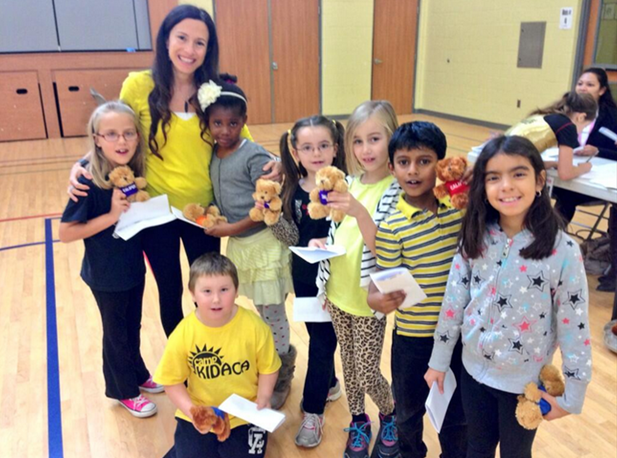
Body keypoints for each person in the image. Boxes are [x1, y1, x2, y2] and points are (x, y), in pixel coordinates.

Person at [66, 4, 279, 337]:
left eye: (200, 42)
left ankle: (212, 352)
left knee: (208, 290)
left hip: (203, 213)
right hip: (154, 212)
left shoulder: (215, 90)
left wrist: (275, 162)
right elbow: (116, 133)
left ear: (209, 49)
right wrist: (81, 166)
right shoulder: (137, 86)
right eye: (182, 38)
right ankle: (184, 359)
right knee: (169, 290)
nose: (189, 49)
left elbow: (242, 140)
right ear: (166, 40)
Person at [425, 135, 592, 458]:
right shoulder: (475, 235)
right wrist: (439, 359)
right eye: (493, 177)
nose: (506, 186)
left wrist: (574, 394)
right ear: (482, 187)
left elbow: (576, 328)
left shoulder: (563, 251)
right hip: (472, 371)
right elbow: (454, 302)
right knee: (477, 447)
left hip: (523, 384)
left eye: (518, 174)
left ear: (539, 180)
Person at [367, 121, 467, 458]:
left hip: (459, 337)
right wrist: (379, 300)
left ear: (439, 164)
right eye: (404, 161)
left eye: (424, 161)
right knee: (409, 413)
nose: (413, 171)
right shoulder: (393, 226)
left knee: (457, 415)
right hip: (412, 339)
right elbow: (378, 286)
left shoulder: (460, 211)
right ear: (392, 166)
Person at [59, 101, 163, 418]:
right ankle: (124, 391)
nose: (122, 141)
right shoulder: (88, 180)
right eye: (112, 134)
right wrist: (113, 215)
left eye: (128, 133)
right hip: (105, 274)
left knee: (132, 325)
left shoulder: (134, 170)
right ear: (97, 138)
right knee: (116, 332)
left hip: (132, 267)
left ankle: (138, 373)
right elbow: (66, 232)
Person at [311, 101, 401, 458]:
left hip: (368, 299)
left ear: (391, 140)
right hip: (336, 292)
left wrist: (358, 209)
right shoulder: (348, 182)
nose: (366, 149)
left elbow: (384, 249)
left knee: (367, 370)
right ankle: (359, 420)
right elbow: (339, 231)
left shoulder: (395, 190)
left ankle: (391, 414)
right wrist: (322, 242)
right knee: (348, 368)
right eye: (358, 141)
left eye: (375, 138)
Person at [198, 80, 294, 409]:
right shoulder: (212, 152)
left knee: (273, 312)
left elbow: (266, 207)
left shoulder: (253, 154)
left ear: (245, 121)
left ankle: (282, 369)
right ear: (208, 122)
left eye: (233, 123)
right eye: (217, 123)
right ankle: (267, 363)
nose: (225, 130)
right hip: (240, 246)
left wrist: (229, 228)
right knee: (258, 310)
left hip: (263, 245)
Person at [154, 253, 281, 458]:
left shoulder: (256, 328)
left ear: (236, 290)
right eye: (206, 291)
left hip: (244, 413)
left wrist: (264, 397)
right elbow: (171, 381)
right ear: (193, 294)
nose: (216, 299)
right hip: (202, 409)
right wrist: (193, 412)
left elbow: (269, 367)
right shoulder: (183, 333)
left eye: (224, 289)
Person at [275, 115, 347, 448]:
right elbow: (291, 236)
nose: (315, 153)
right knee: (318, 336)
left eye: (322, 145)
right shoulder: (291, 189)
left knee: (322, 343)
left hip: (339, 279)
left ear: (335, 148)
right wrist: (272, 217)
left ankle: (313, 410)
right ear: (295, 150)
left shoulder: (347, 186)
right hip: (305, 277)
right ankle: (330, 381)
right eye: (307, 147)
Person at [556, 68, 617, 292]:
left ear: (602, 90)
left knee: (567, 195)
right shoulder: (565, 109)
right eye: (580, 83)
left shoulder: (612, 117)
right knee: (557, 193)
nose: (582, 88)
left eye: (590, 84)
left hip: (599, 180)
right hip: (569, 175)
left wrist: (598, 150)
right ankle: (549, 246)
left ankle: (614, 274)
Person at [505, 91, 597, 181]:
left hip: (497, 159)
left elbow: (522, 158)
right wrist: (584, 168)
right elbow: (565, 174)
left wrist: (551, 164)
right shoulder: (567, 126)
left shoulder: (544, 115)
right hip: (507, 169)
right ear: (581, 117)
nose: (581, 131)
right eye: (585, 126)